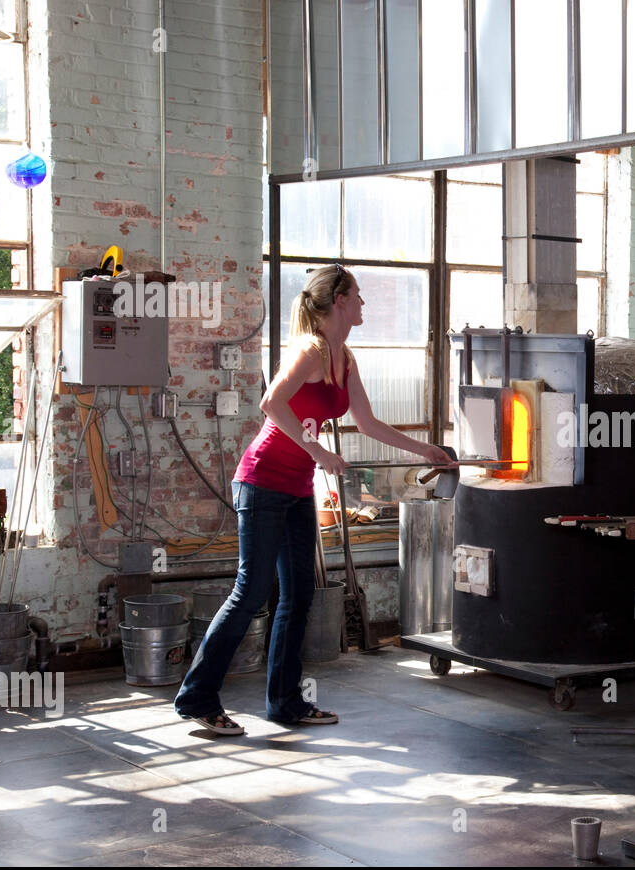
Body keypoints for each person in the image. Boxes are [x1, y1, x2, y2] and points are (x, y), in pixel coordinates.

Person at [174, 264, 455, 735]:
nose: (364, 304)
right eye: (359, 296)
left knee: (299, 593)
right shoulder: (311, 350)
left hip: (296, 488)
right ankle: (197, 697)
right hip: (262, 481)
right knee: (251, 590)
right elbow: (271, 403)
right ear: (340, 299)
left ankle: (284, 703)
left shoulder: (345, 358)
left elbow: (367, 424)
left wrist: (426, 449)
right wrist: (318, 450)